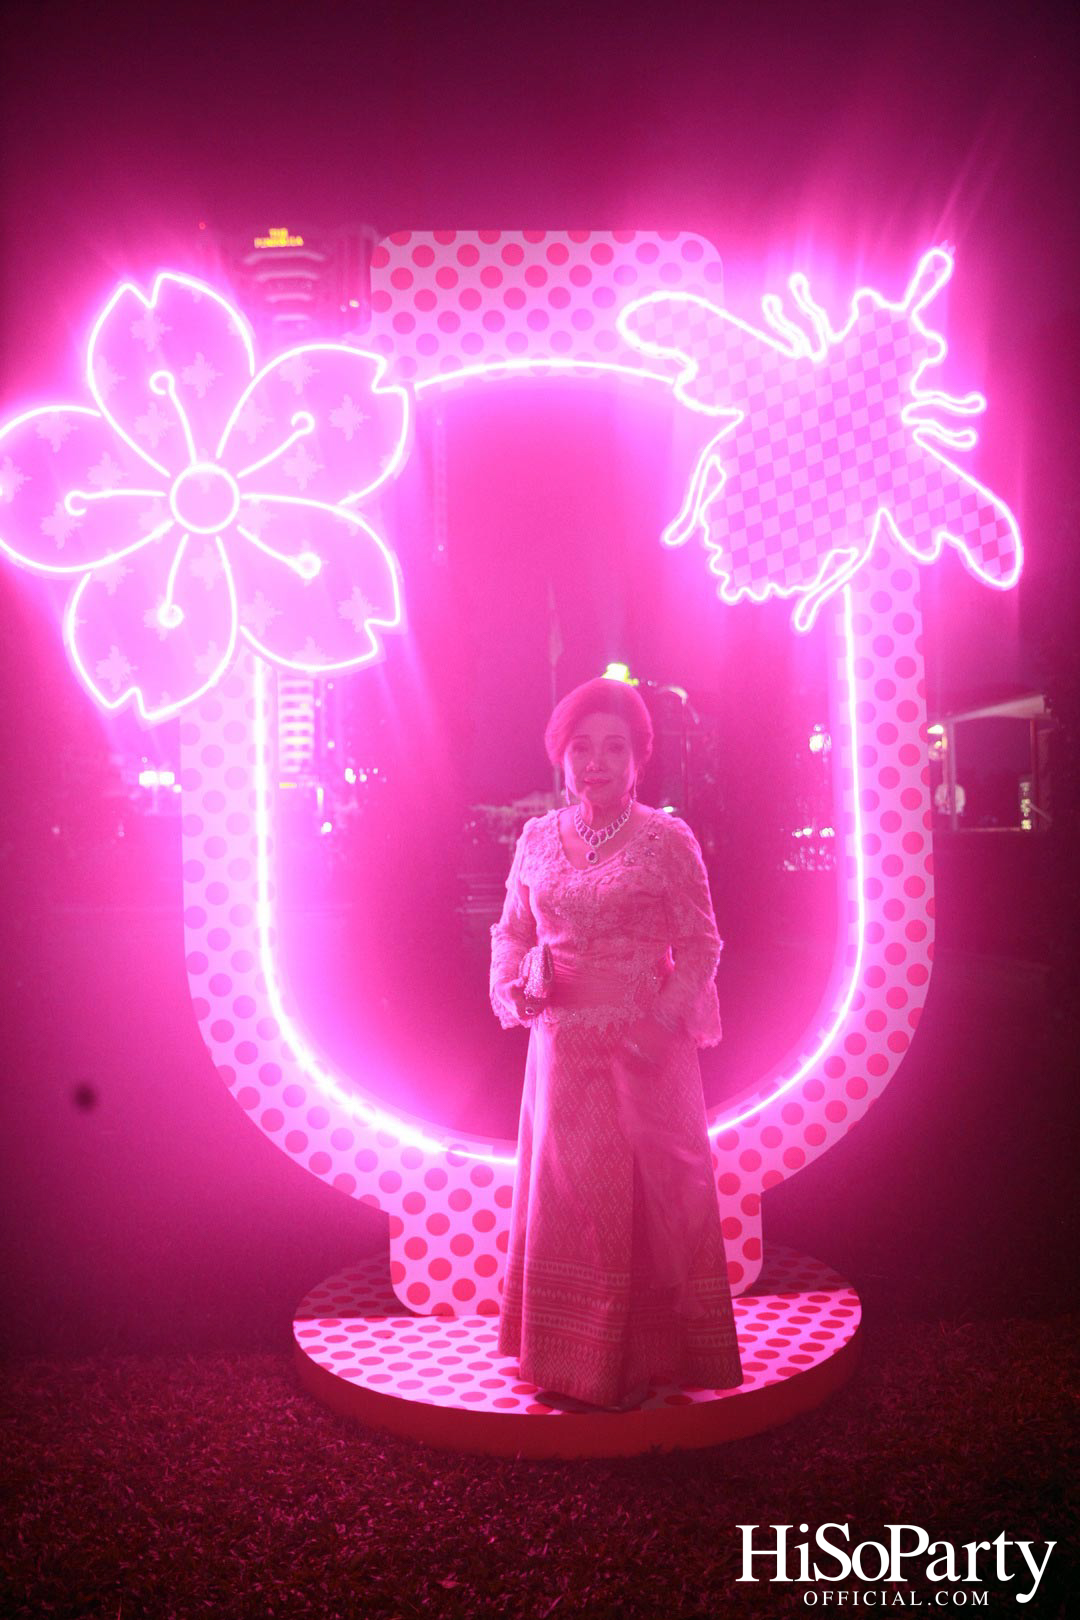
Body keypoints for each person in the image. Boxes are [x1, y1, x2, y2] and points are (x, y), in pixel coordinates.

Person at [489, 677, 744, 1410]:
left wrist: (660, 1023)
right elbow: (512, 932)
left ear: (639, 760)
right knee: (567, 1205)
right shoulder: (536, 838)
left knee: (639, 1207)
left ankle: (641, 1362)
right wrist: (513, 988)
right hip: (560, 1054)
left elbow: (701, 945)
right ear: (561, 757)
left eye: (614, 748)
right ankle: (565, 1361)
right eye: (581, 747)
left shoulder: (668, 840)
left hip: (645, 1056)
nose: (595, 762)